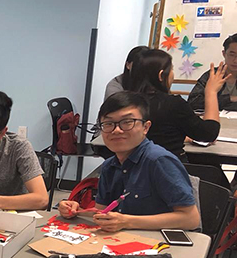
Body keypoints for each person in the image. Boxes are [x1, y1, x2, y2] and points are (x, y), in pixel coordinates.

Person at [58, 91, 200, 232]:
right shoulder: (109, 165)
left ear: (146, 127)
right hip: (121, 241)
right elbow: (102, 212)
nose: (117, 130)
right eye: (108, 123)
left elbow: (190, 219)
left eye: (127, 122)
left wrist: (127, 221)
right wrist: (77, 210)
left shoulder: (159, 161)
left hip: (158, 244)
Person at [126, 48, 225, 158]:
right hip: (168, 169)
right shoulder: (173, 104)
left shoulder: (123, 102)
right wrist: (211, 92)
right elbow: (208, 134)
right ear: (161, 75)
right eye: (171, 70)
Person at [188, 33, 237, 111]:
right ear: (224, 54)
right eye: (232, 55)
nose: (235, 60)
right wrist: (229, 98)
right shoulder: (212, 75)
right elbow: (193, 102)